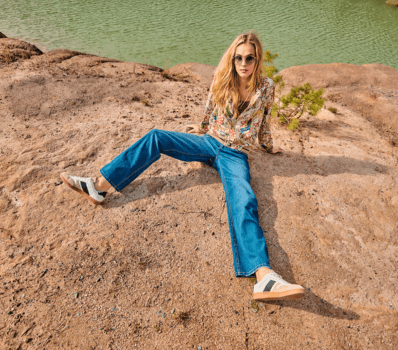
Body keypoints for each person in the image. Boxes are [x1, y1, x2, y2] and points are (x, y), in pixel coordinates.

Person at [60, 31, 305, 301]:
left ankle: (263, 276)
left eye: (249, 58)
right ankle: (99, 187)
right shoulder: (222, 78)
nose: (243, 63)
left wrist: (270, 147)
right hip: (209, 142)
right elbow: (209, 111)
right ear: (232, 58)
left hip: (235, 154)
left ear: (257, 59)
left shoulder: (267, 87)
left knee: (244, 199)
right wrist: (196, 135)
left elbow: (266, 123)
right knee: (156, 137)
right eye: (238, 57)